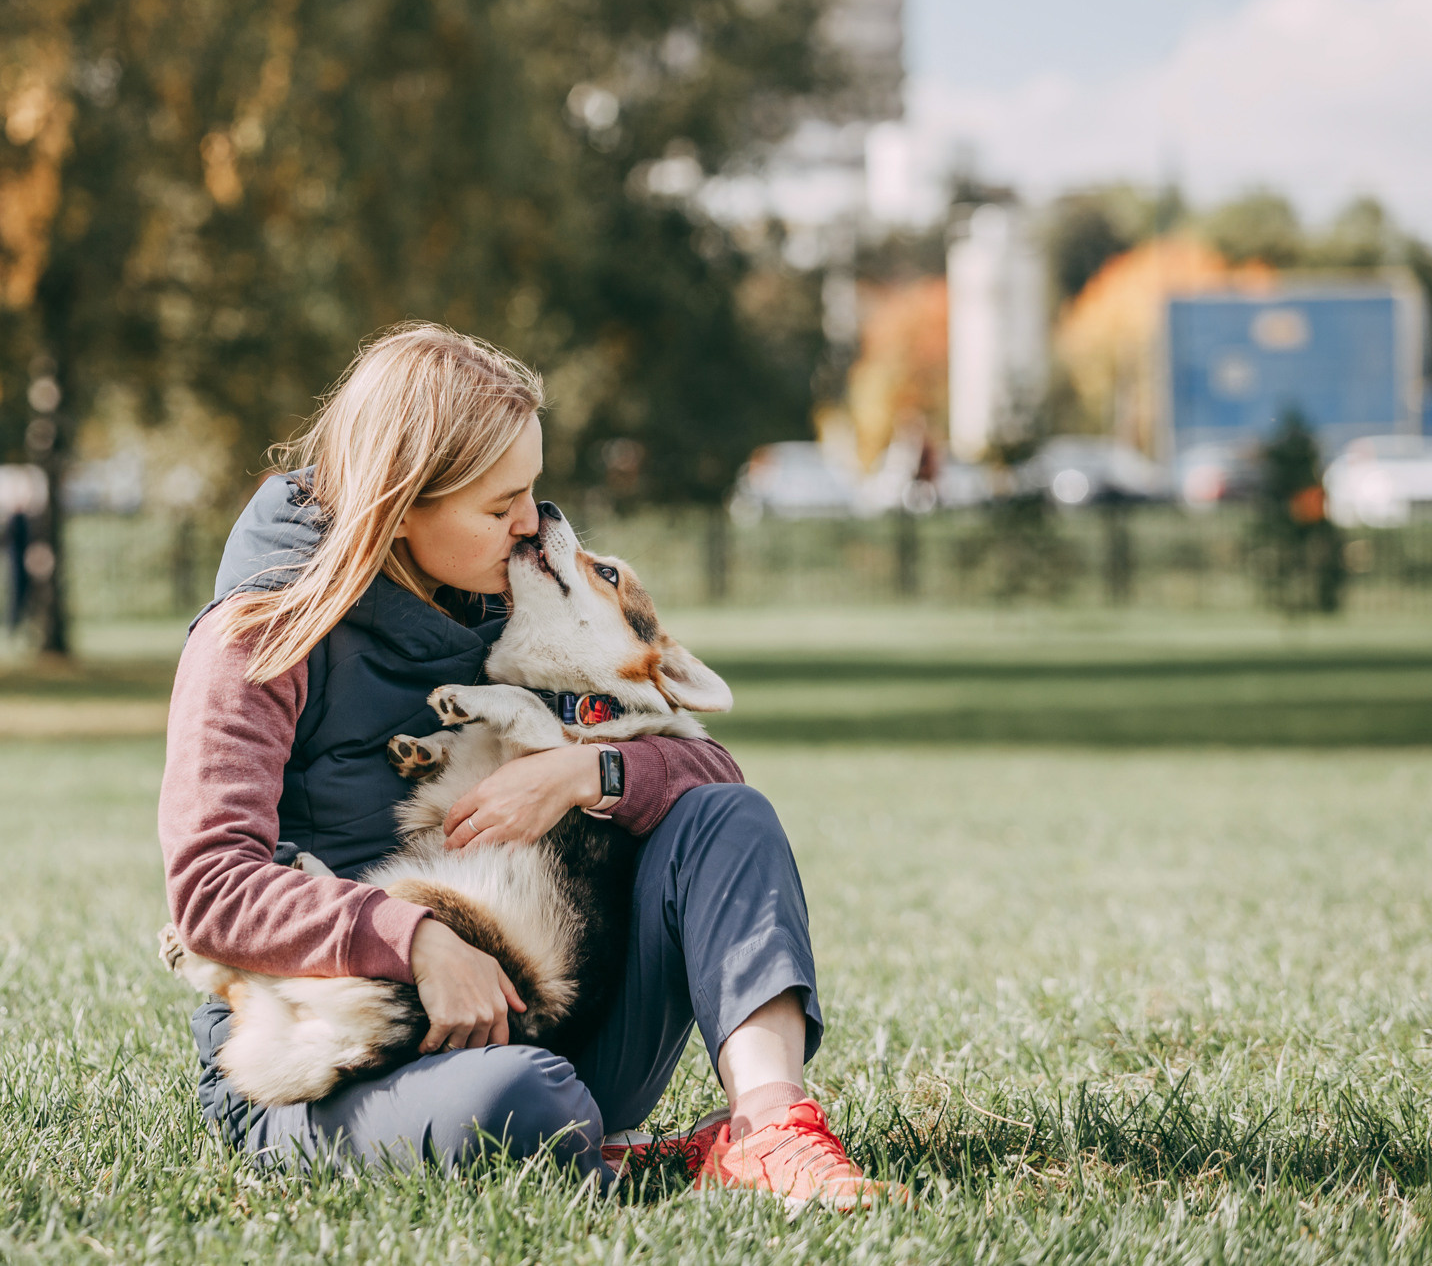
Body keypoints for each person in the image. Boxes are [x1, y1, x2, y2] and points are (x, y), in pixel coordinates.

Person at [158, 323, 901, 1207]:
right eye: (498, 503)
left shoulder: (509, 600)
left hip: (552, 1015)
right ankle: (608, 1147)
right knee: (522, 1102)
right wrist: (418, 942)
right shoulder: (258, 635)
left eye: (532, 490)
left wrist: (589, 776)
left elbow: (715, 773)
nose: (530, 523)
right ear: (401, 502)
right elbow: (209, 888)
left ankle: (769, 1127)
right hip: (331, 1064)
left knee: (727, 818)